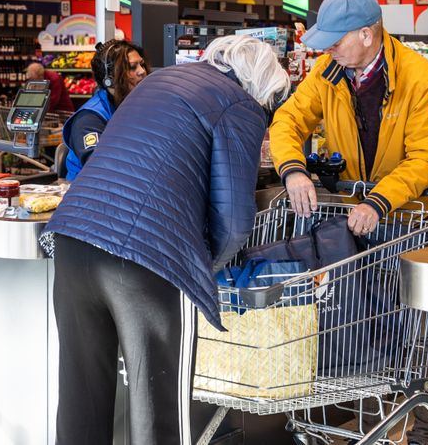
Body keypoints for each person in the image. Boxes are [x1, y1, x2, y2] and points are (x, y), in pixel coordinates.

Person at [44, 35, 290, 445]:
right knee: (155, 404)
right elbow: (233, 219)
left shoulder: (161, 80)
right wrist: (210, 268)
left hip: (72, 239)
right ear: (259, 85)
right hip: (142, 258)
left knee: (81, 397)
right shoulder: (239, 105)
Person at [270, 0, 428, 445]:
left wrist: (380, 200)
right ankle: (367, 416)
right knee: (365, 317)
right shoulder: (330, 70)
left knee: (421, 327)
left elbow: (426, 158)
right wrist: (293, 170)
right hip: (362, 217)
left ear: (368, 34)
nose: (326, 47)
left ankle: (424, 431)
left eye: (336, 39)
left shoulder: (420, 78)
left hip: (418, 214)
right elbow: (289, 121)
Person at [61, 40, 147, 180]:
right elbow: (98, 168)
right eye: (132, 67)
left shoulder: (135, 105)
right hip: (89, 193)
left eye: (141, 64)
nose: (142, 71)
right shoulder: (89, 119)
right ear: (110, 78)